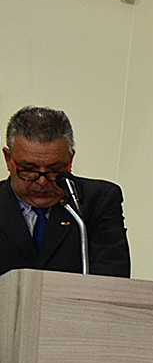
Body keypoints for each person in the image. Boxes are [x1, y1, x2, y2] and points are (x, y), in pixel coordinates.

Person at [1, 107, 131, 278]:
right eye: (29, 170)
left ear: (70, 159)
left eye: (54, 170)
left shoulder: (98, 201)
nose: (42, 182)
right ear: (8, 159)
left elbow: (112, 279)